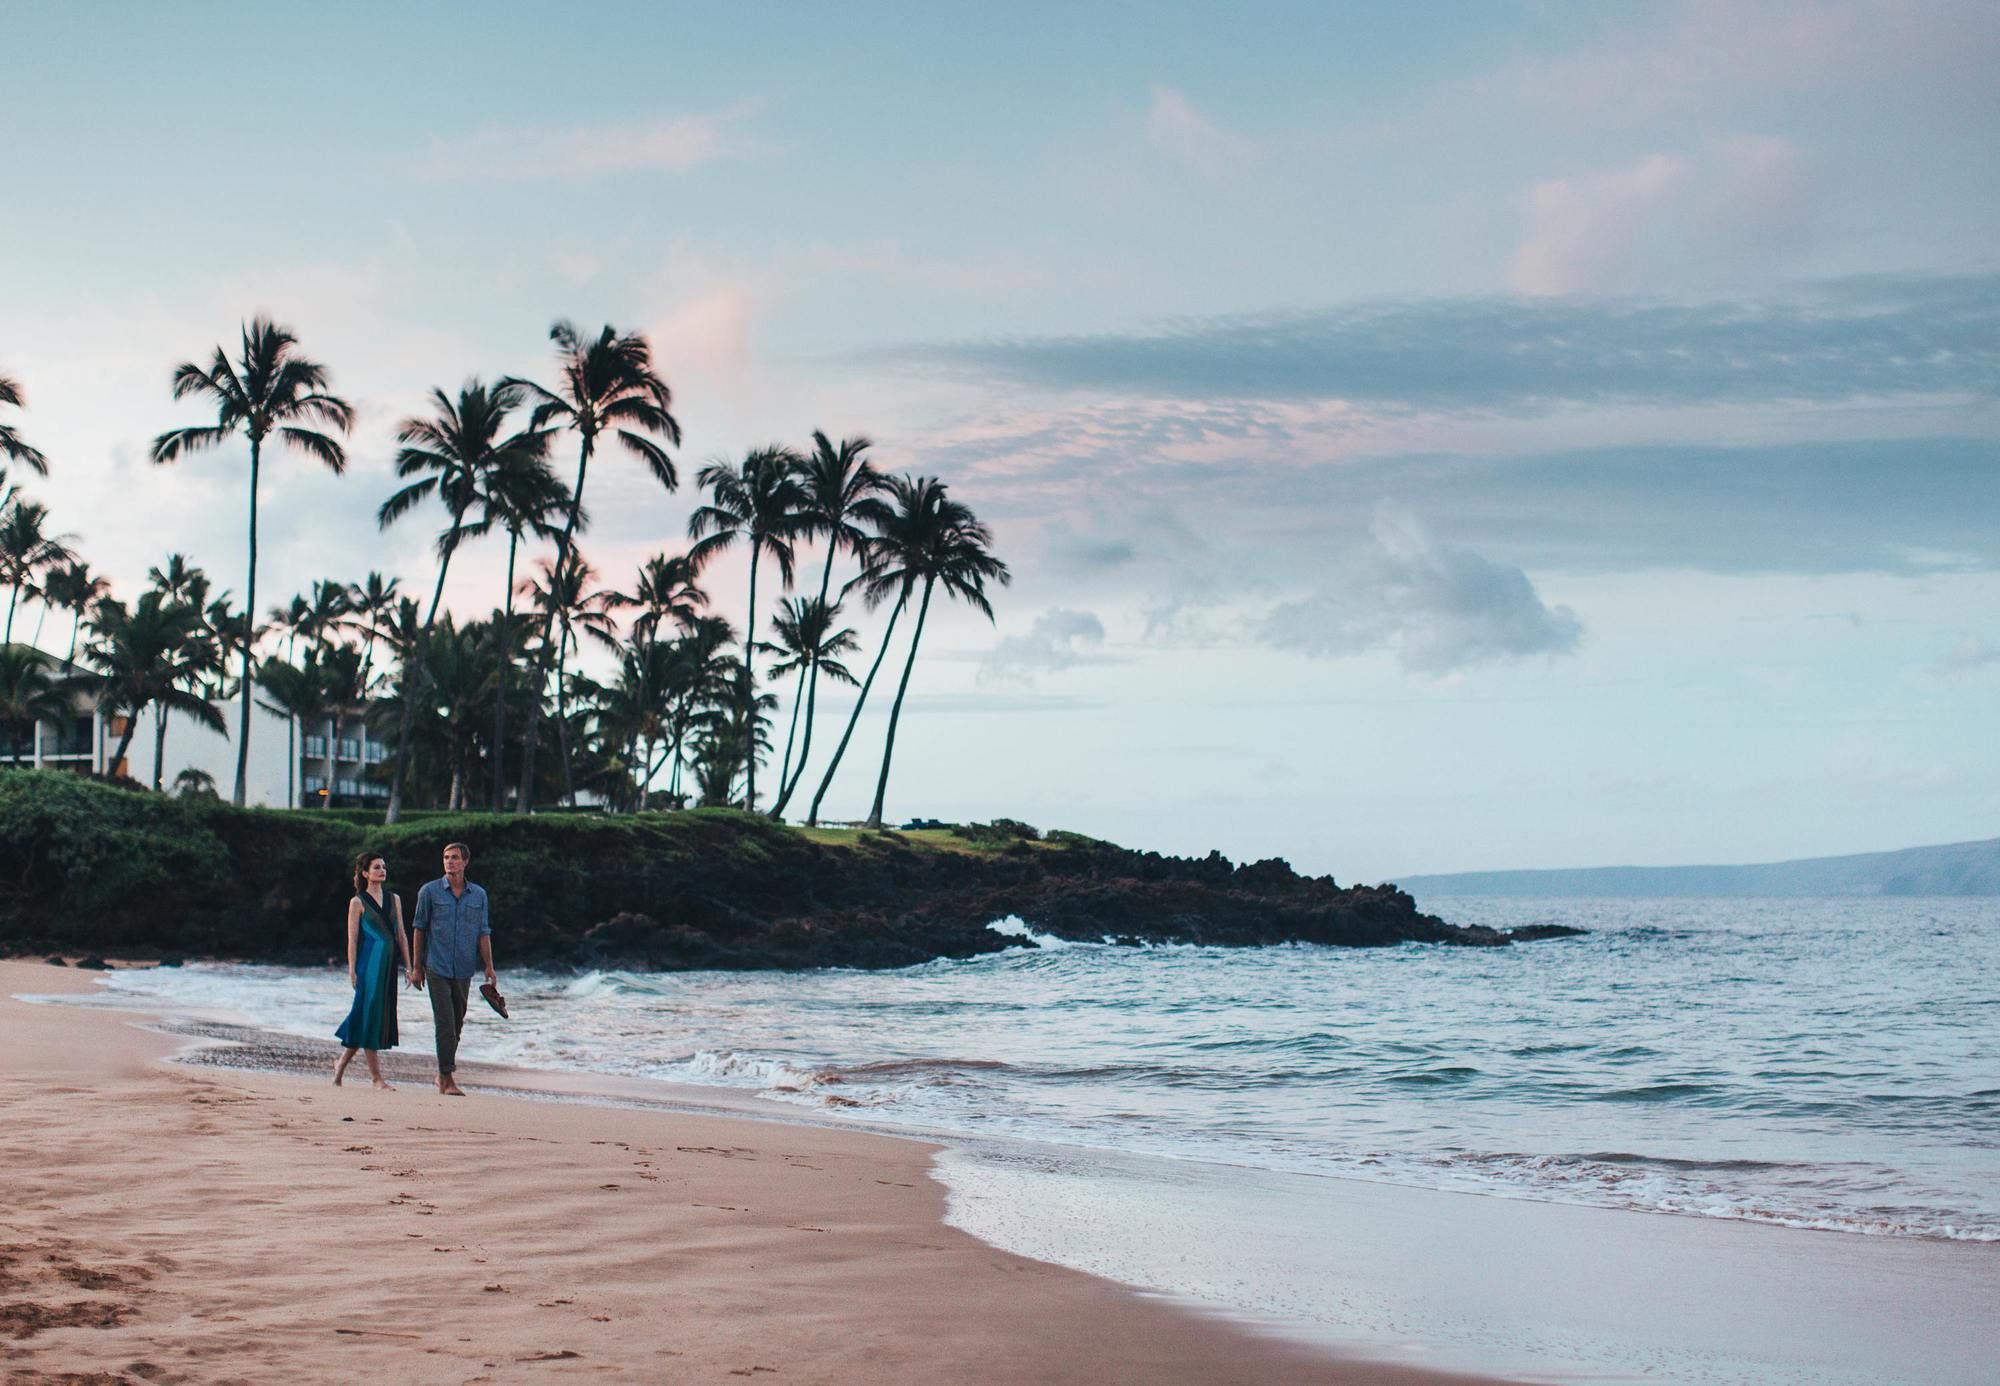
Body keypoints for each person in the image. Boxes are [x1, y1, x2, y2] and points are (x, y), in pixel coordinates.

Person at [408, 841, 496, 1097]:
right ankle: (447, 1078)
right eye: (446, 857)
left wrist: (489, 966)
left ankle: (441, 1073)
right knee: (445, 1023)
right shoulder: (429, 892)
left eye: (455, 857)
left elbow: (483, 932)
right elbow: (419, 929)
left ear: (466, 862)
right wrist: (416, 967)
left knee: (457, 1023)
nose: (449, 862)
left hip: (465, 968)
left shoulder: (479, 895)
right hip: (436, 965)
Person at [333, 851, 410, 1089]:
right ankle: (376, 1078)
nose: (382, 870)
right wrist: (352, 970)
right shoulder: (357, 902)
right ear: (365, 873)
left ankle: (340, 1066)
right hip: (369, 966)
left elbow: (401, 935)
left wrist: (408, 965)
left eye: (384, 866)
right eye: (377, 867)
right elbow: (353, 939)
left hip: (388, 967)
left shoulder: (394, 899)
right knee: (370, 1015)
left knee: (365, 1016)